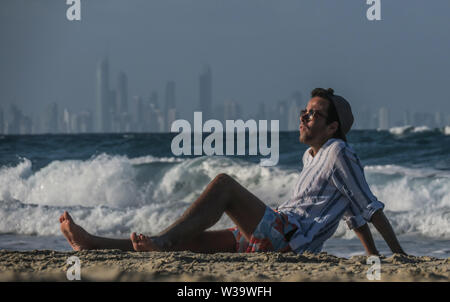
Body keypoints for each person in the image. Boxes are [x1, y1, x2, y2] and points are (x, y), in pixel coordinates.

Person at [59, 88, 406, 256]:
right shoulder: (313, 157)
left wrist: (398, 255)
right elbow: (351, 214)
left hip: (287, 238)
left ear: (332, 128)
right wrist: (371, 256)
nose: (303, 117)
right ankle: (93, 244)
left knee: (224, 184)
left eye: (313, 114)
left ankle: (160, 242)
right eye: (304, 111)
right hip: (276, 231)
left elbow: (367, 207)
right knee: (187, 242)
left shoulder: (339, 152)